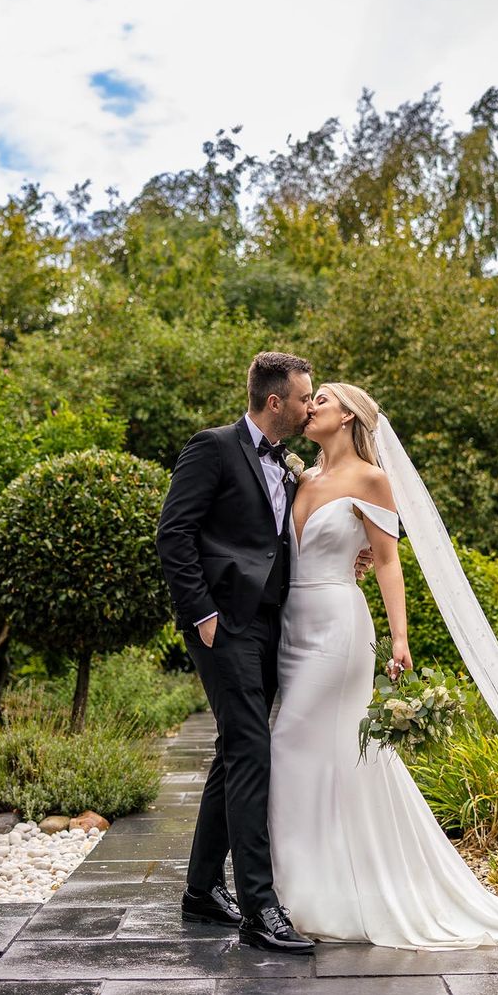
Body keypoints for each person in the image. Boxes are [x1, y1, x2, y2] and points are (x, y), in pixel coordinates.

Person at [268, 381, 498, 950]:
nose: (309, 408)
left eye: (322, 402)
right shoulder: (303, 479)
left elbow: (387, 563)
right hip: (293, 627)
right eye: (310, 402)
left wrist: (400, 639)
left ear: (348, 418)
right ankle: (305, 886)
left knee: (290, 741)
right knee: (312, 753)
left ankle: (314, 893)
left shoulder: (372, 480)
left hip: (339, 629)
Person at [155, 352, 370, 955]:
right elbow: (174, 532)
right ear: (276, 401)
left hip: (276, 628)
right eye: (305, 398)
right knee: (251, 750)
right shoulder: (214, 447)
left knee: (233, 751)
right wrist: (202, 614)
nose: (309, 408)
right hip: (222, 627)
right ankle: (260, 908)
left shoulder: (290, 466)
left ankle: (200, 891)